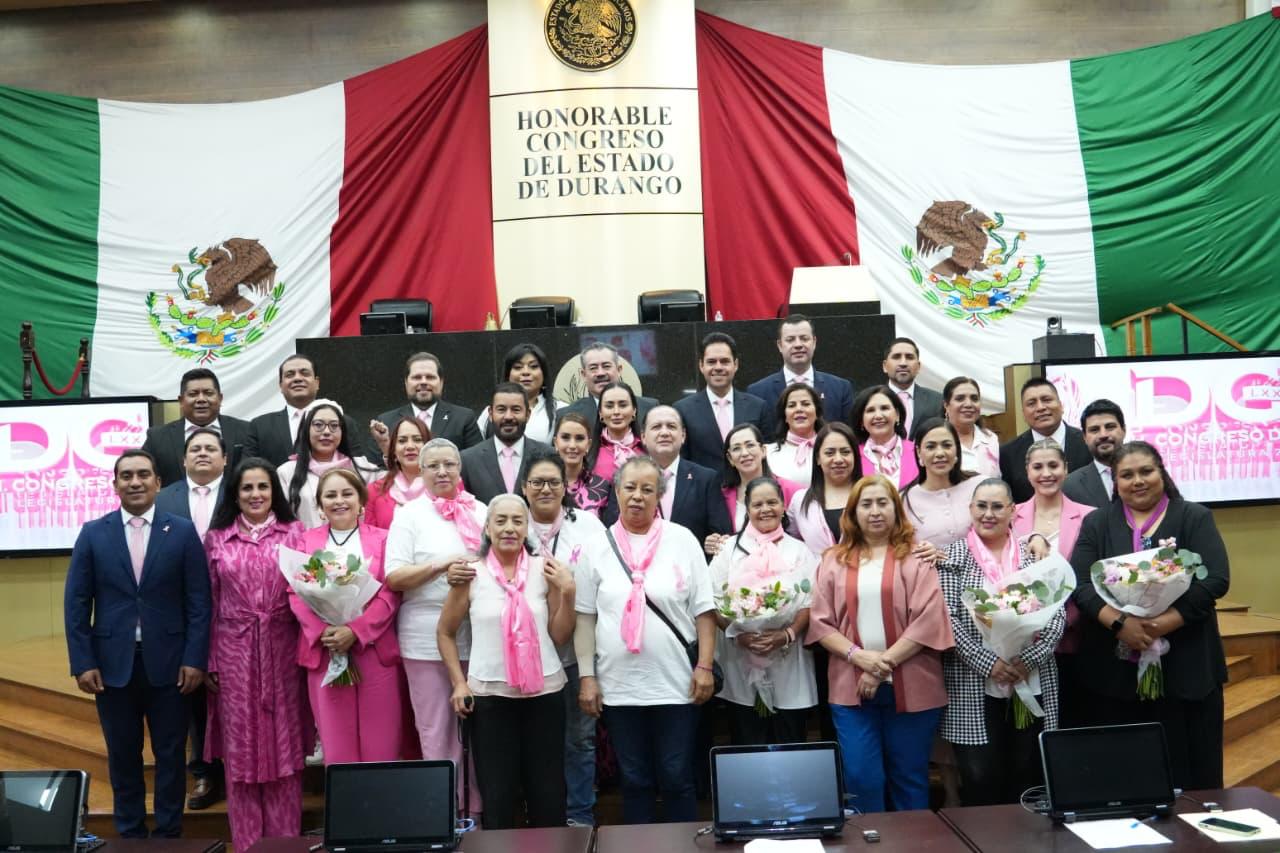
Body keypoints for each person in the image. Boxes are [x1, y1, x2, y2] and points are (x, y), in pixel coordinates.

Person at [64, 450, 211, 839]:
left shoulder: (182, 532)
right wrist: (83, 662)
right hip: (111, 666)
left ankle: (168, 834)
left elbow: (199, 601)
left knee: (170, 755)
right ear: (114, 485)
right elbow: (76, 604)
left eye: (143, 474)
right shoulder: (93, 533)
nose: (135, 482)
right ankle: (129, 834)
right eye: (126, 475)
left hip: (172, 664)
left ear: (158, 483)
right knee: (123, 754)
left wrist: (195, 658)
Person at [1070, 441, 1230, 790]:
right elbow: (1080, 584)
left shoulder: (1193, 516)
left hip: (1187, 666)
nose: (1138, 481)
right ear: (1115, 482)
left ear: (1162, 473)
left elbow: (1216, 579)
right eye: (1127, 475)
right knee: (1126, 776)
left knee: (1193, 777)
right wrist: (1120, 623)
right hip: (1115, 674)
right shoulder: (1097, 523)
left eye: (1146, 471)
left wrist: (1161, 624)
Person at [575, 457, 717, 824]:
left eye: (647, 489)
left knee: (676, 776)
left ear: (659, 496)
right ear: (616, 491)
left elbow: (705, 610)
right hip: (619, 686)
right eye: (630, 487)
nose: (637, 496)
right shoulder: (596, 546)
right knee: (634, 780)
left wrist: (704, 666)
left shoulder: (682, 540)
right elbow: (585, 617)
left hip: (677, 684)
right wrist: (587, 676)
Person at [807, 475, 953, 813]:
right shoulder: (832, 560)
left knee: (909, 778)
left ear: (896, 509)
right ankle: (871, 839)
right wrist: (859, 658)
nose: (875, 511)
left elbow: (928, 620)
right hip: (851, 688)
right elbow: (819, 623)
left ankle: (912, 840)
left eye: (883, 503)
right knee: (861, 778)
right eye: (866, 504)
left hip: (914, 685)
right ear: (853, 513)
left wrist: (879, 666)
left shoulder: (917, 557)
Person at [438, 495, 577, 830]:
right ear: (487, 528)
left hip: (545, 695)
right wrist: (459, 683)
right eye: (500, 521)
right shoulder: (471, 574)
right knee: (498, 794)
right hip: (490, 699)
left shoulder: (546, 570)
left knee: (548, 793)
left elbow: (560, 635)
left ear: (527, 528)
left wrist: (569, 593)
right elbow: (445, 632)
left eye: (517, 521)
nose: (509, 528)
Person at [937, 478, 1064, 806]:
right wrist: (989, 663)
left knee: (1027, 770)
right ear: (970, 509)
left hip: (1030, 674)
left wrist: (1028, 659)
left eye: (997, 506)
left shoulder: (1034, 554)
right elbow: (948, 619)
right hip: (973, 680)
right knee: (980, 775)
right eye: (981, 506)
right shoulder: (952, 557)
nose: (988, 514)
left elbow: (1056, 613)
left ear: (1012, 511)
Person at [202, 458, 307, 851]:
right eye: (247, 488)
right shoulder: (217, 538)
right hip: (234, 653)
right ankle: (247, 845)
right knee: (241, 753)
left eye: (263, 486)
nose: (256, 494)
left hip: (283, 651)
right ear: (235, 494)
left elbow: (307, 596)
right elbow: (208, 602)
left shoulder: (294, 534)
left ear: (274, 491)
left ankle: (285, 845)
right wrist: (210, 659)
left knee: (285, 750)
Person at [384, 438, 486, 812]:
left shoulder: (481, 510)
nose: (442, 472)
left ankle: (477, 813)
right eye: (433, 466)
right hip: (425, 639)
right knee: (436, 730)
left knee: (480, 735)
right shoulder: (408, 515)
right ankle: (445, 814)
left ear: (460, 469)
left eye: (449, 464)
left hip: (479, 637)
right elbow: (394, 576)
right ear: (421, 471)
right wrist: (441, 566)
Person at [289, 469, 404, 764]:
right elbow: (295, 593)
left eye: (347, 493)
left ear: (361, 500)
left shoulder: (383, 539)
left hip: (374, 650)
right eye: (330, 495)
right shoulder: (305, 541)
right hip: (326, 651)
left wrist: (356, 630)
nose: (339, 501)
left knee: (381, 746)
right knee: (338, 748)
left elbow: (390, 593)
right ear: (320, 505)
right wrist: (324, 631)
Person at [518, 451, 606, 826]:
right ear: (524, 487)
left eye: (553, 482)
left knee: (579, 739)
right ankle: (538, 815)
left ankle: (579, 815)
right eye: (537, 482)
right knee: (531, 741)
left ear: (565, 486)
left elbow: (602, 583)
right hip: (523, 655)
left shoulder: (586, 526)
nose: (545, 489)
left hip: (574, 653)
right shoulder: (512, 522)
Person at [710, 477, 818, 745]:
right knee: (748, 740)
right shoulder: (728, 550)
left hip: (788, 659)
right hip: (740, 659)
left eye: (772, 502)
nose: (765, 509)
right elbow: (712, 600)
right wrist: (738, 634)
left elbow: (810, 601)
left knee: (791, 739)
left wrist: (787, 634)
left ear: (783, 506)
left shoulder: (800, 550)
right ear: (747, 509)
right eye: (757, 504)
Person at [153, 428, 225, 810]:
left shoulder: (241, 493)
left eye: (210, 448)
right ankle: (204, 771)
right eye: (195, 448)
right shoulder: (164, 498)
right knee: (194, 690)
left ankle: (239, 765)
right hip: (182, 610)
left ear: (225, 459)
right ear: (183, 460)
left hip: (235, 607)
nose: (202, 453)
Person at [1012, 439, 1093, 728]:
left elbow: (1090, 577)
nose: (1046, 473)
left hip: (1076, 635)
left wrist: (1067, 620)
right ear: (1027, 471)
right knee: (1032, 728)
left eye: (1053, 465)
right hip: (1024, 643)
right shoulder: (1011, 516)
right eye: (1038, 467)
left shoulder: (1089, 516)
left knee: (1073, 720)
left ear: (1066, 469)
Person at [603, 406, 732, 550]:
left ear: (683, 436)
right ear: (643, 437)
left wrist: (712, 544)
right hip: (636, 561)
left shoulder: (706, 479)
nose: (664, 433)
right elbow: (613, 528)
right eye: (656, 427)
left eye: (671, 426)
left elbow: (721, 534)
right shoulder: (625, 477)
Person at [673, 332, 770, 476]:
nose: (718, 367)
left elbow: (767, 456)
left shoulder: (758, 407)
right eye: (711, 362)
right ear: (701, 365)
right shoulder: (683, 410)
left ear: (735, 365)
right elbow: (682, 461)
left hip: (749, 487)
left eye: (725, 361)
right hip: (704, 488)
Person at [141, 368, 252, 488]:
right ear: (181, 401)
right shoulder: (157, 437)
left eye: (208, 393)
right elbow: (141, 474)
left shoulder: (246, 431)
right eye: (193, 394)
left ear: (220, 398)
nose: (201, 399)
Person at [278, 401, 381, 529]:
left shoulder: (362, 468)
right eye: (318, 425)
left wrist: (385, 445)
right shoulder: (287, 472)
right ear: (306, 430)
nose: (327, 431)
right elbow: (281, 521)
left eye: (334, 425)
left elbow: (397, 481)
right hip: (305, 541)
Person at [246, 354, 357, 467]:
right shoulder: (259, 426)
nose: (297, 378)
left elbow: (357, 466)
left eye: (305, 373)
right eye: (290, 375)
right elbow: (248, 471)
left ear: (317, 383)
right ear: (281, 386)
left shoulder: (343, 422)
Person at [370, 352, 482, 464]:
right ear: (406, 382)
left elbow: (476, 462)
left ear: (441, 382)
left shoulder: (463, 418)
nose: (423, 382)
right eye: (417, 377)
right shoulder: (386, 421)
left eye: (430, 377)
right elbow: (374, 467)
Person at [748, 314, 855, 429]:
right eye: (790, 340)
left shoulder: (840, 388)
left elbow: (848, 434)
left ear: (814, 342)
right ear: (780, 345)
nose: (798, 345)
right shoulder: (758, 392)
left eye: (804, 338)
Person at [999, 377, 1091, 503]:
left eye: (1046, 400)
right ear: (1023, 413)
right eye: (1031, 403)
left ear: (1061, 405)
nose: (1040, 407)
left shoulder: (1088, 443)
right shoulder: (1008, 454)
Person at [714, 423, 804, 552]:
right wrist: (714, 542)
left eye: (750, 445)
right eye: (737, 448)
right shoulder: (721, 496)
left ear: (763, 450)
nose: (744, 453)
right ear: (730, 458)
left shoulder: (793, 491)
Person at [460, 382, 553, 504]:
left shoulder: (548, 455)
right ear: (490, 414)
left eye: (516, 410)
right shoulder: (468, 459)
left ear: (527, 415)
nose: (508, 417)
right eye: (501, 410)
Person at [901, 418, 980, 553]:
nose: (940, 453)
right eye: (930, 447)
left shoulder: (980, 486)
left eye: (947, 445)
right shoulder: (904, 500)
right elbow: (900, 548)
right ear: (919, 452)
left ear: (957, 449)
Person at [787, 423, 861, 557]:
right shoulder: (800, 501)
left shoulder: (870, 494)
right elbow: (790, 543)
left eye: (845, 452)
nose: (838, 459)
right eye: (829, 453)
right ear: (818, 458)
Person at [476, 343, 565, 446]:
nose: (526, 372)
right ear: (508, 375)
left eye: (533, 366)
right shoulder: (489, 414)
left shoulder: (561, 410)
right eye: (518, 367)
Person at [563, 342, 658, 426]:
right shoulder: (567, 415)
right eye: (593, 368)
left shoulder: (649, 408)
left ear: (619, 370)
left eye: (606, 366)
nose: (600, 373)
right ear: (583, 375)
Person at [366, 416, 431, 530]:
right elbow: (369, 534)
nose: (410, 446)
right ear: (394, 450)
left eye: (417, 439)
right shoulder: (375, 490)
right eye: (402, 441)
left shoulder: (444, 485)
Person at [852, 385, 919, 489]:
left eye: (884, 408)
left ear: (897, 415)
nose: (878, 416)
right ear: (861, 420)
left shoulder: (918, 452)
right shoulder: (852, 456)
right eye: (870, 410)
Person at [1063, 399, 1127, 508]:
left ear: (1124, 430)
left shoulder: (1147, 474)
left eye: (1110, 427)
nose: (1103, 435)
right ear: (1084, 437)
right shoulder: (1070, 485)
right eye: (1094, 430)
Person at [881, 338, 943, 438]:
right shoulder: (870, 400)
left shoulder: (937, 401)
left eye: (909, 357)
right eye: (896, 357)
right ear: (885, 366)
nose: (903, 363)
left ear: (918, 367)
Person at [765, 382, 825, 486]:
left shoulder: (832, 449)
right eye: (792, 405)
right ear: (785, 416)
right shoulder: (768, 452)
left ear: (817, 412)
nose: (799, 409)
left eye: (806, 404)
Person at [553, 411, 611, 517]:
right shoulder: (543, 484)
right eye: (565, 437)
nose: (572, 445)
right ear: (556, 443)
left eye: (579, 438)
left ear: (588, 445)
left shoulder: (603, 487)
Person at [587, 381, 645, 485]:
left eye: (623, 405)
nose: (616, 412)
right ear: (600, 413)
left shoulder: (648, 450)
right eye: (609, 406)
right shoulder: (588, 452)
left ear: (634, 411)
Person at [942, 376, 1000, 478]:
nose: (969, 404)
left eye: (974, 398)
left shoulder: (991, 438)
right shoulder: (934, 438)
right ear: (946, 405)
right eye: (960, 398)